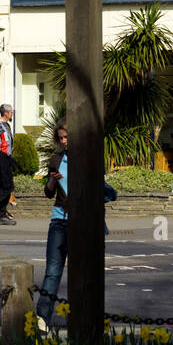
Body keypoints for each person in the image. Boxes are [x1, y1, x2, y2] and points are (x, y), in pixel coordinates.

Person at [35, 123, 118, 329]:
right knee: (53, 271)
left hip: (82, 224)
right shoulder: (56, 159)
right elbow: (48, 193)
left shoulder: (88, 160)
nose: (64, 141)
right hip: (59, 220)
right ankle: (42, 319)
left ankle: (85, 320)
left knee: (82, 272)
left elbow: (109, 193)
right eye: (61, 138)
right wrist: (53, 180)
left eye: (67, 136)